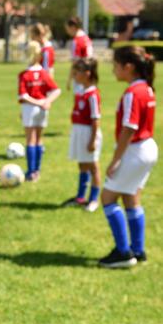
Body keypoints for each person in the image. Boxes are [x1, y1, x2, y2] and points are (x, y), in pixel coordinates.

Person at [99, 46, 157, 268]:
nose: (113, 70)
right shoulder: (147, 88)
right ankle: (138, 249)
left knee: (108, 197)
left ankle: (123, 253)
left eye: (115, 66)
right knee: (131, 198)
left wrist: (115, 160)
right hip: (148, 148)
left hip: (135, 150)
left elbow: (129, 129)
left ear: (128, 67)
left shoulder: (133, 93)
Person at [18, 41, 61, 181]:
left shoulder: (24, 74)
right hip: (43, 108)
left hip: (30, 108)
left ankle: (31, 172)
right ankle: (37, 171)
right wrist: (46, 101)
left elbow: (23, 95)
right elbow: (56, 90)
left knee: (30, 139)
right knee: (39, 139)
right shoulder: (44, 73)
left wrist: (35, 103)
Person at [62, 58, 102, 212]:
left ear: (87, 74)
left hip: (88, 132)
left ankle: (93, 199)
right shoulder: (80, 91)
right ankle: (80, 197)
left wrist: (92, 140)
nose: (74, 75)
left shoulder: (92, 94)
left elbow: (95, 119)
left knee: (93, 166)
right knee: (82, 164)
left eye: (76, 72)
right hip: (78, 131)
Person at [65, 16, 93, 92]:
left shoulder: (76, 41)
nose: (67, 31)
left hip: (80, 75)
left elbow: (75, 63)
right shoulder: (86, 38)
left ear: (73, 27)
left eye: (67, 28)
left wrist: (69, 79)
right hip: (89, 74)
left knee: (80, 101)